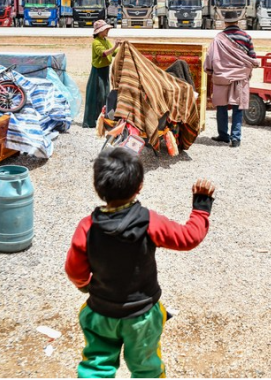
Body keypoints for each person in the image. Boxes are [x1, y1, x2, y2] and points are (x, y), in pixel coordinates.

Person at [65, 148, 216, 378]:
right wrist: (201, 208)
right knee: (147, 369)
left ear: (99, 188)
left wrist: (84, 285)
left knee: (95, 367)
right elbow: (188, 238)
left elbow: (74, 270)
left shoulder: (87, 227)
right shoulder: (150, 222)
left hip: (100, 313)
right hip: (143, 316)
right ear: (139, 186)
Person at [203, 10, 260, 147]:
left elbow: (210, 57)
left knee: (221, 106)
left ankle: (223, 135)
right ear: (237, 21)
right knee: (238, 107)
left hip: (222, 78)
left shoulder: (218, 38)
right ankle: (236, 139)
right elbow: (252, 57)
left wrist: (210, 70)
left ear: (225, 22)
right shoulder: (246, 37)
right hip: (240, 78)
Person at [83, 19, 122, 129]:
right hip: (97, 73)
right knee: (97, 96)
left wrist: (122, 49)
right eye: (106, 29)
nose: (107, 31)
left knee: (104, 95)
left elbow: (113, 52)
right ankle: (91, 121)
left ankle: (102, 120)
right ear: (99, 32)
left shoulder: (105, 40)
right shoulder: (96, 43)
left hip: (105, 71)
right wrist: (115, 46)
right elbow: (104, 54)